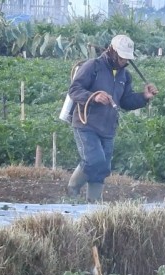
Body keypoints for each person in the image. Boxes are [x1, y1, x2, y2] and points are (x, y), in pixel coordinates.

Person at [66, 34, 159, 202]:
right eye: (122, 57)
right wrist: (94, 96)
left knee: (103, 168)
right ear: (112, 52)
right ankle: (72, 190)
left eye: (126, 58)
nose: (124, 61)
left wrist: (144, 97)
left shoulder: (125, 75)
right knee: (94, 160)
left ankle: (93, 204)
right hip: (86, 123)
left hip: (108, 127)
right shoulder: (92, 66)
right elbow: (74, 90)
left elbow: (126, 101)